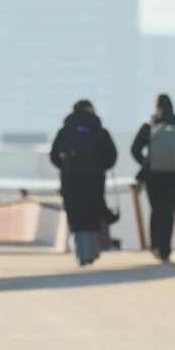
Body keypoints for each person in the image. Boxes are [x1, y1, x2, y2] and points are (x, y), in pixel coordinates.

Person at [51, 100, 118, 266]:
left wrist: (66, 168)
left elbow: (53, 156)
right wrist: (99, 168)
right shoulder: (99, 131)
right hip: (94, 180)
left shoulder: (65, 131)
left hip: (70, 181)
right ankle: (93, 252)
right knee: (92, 215)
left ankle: (81, 254)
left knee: (76, 217)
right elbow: (111, 156)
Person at [131, 94, 175, 262]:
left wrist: (146, 163)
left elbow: (134, 149)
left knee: (155, 210)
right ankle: (165, 250)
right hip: (173, 176)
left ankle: (155, 246)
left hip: (152, 176)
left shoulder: (148, 126)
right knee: (168, 211)